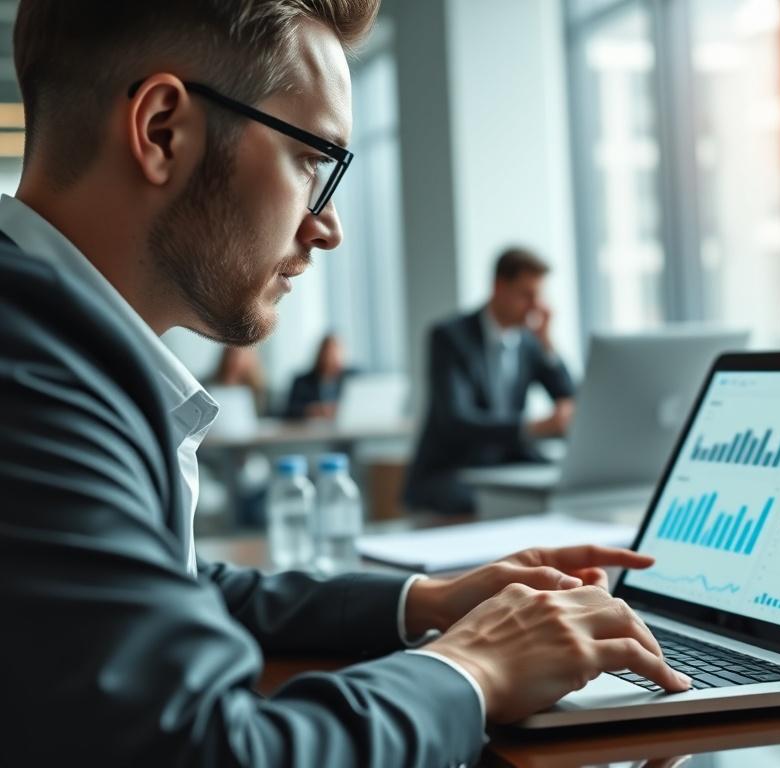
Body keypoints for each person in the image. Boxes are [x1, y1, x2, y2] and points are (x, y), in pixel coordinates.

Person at [0, 2, 687, 766]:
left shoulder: (46, 344)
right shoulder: (28, 376)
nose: (328, 227)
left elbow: (168, 587)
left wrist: (424, 601)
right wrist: (473, 668)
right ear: (164, 130)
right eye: (311, 161)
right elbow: (203, 752)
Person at [404, 247, 577, 514]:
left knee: (566, 487)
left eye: (539, 296)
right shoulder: (451, 337)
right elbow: (456, 420)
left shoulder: (530, 343)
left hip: (505, 467)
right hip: (452, 472)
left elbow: (570, 398)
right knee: (504, 504)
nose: (535, 307)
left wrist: (547, 344)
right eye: (526, 296)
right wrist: (530, 428)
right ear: (499, 287)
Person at [284, 332, 356, 419]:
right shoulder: (302, 382)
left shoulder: (354, 378)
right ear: (321, 354)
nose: (333, 357)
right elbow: (289, 411)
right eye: (329, 353)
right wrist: (312, 410)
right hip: (311, 430)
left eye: (337, 352)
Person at [209, 344, 269, 415]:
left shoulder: (259, 390)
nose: (235, 359)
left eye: (241, 354)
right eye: (232, 354)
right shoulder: (209, 384)